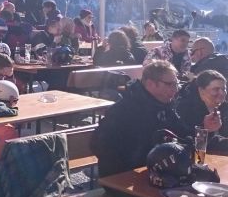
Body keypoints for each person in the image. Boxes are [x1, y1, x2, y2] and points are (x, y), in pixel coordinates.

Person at [91, 60, 221, 177]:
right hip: (123, 178)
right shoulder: (125, 109)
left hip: (158, 173)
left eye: (176, 84)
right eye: (170, 84)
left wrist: (205, 129)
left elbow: (184, 138)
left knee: (205, 183)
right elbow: (98, 145)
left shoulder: (165, 107)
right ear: (150, 84)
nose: (175, 89)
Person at [175, 69, 228, 152]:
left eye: (224, 89)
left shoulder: (224, 108)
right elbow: (193, 145)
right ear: (201, 91)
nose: (222, 93)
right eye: (216, 89)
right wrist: (205, 129)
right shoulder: (186, 109)